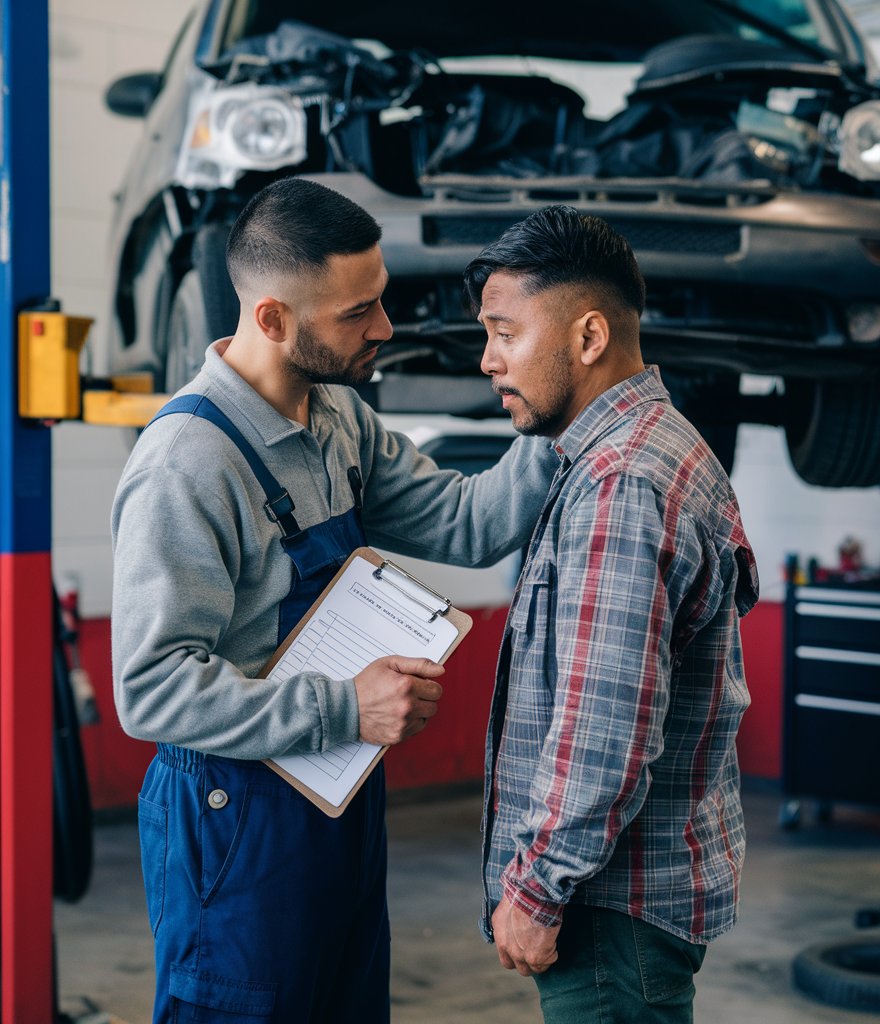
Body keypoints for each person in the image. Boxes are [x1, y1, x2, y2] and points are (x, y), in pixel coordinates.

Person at [110, 177, 558, 1024]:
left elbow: (466, 523)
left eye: (380, 299)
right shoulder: (187, 464)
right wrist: (344, 707)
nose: (385, 329)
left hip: (336, 802)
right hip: (234, 825)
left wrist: (560, 410)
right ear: (273, 319)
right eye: (358, 313)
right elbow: (151, 687)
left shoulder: (339, 418)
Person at [464, 205, 759, 1023]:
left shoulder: (621, 483)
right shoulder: (652, 448)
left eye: (504, 333)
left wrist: (535, 886)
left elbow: (605, 724)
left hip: (607, 910)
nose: (488, 361)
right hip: (629, 901)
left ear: (589, 337)